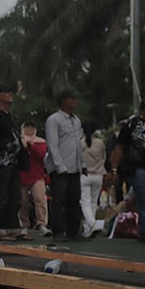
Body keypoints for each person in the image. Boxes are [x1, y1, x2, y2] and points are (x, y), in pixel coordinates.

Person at [0, 83, 28, 241]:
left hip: (14, 161)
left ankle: (12, 227)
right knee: (1, 195)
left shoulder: (9, 115)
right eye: (7, 92)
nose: (10, 94)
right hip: (2, 161)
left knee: (15, 195)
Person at [110, 95, 145, 244]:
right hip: (140, 168)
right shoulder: (131, 125)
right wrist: (114, 169)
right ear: (142, 111)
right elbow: (119, 147)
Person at [44, 90, 86, 242]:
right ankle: (58, 231)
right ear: (63, 100)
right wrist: (59, 166)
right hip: (60, 167)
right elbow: (52, 145)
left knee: (74, 199)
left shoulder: (76, 121)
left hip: (74, 166)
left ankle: (73, 231)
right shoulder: (54, 120)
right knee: (58, 200)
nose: (75, 101)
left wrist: (82, 164)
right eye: (72, 98)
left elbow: (78, 145)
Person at [19, 122, 51, 236]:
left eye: (32, 127)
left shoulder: (40, 142)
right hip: (22, 175)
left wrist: (31, 145)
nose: (29, 129)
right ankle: (24, 225)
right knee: (23, 202)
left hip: (37, 175)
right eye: (27, 127)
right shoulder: (18, 141)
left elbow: (41, 156)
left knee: (40, 199)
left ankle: (42, 224)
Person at [80, 121, 106, 237]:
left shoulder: (80, 142)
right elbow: (104, 158)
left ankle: (92, 224)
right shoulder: (100, 142)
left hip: (84, 175)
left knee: (85, 202)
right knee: (94, 202)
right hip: (98, 175)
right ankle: (87, 230)